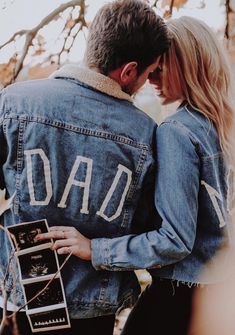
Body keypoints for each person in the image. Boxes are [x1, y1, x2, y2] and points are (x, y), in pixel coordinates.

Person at [37, 16, 235, 335]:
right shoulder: (221, 128)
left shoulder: (176, 132)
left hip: (176, 300)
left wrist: (95, 248)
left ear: (188, 68)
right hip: (219, 292)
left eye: (160, 68)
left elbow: (174, 240)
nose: (151, 79)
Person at [0, 1, 171, 334]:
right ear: (129, 71)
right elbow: (150, 228)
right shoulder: (147, 136)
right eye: (149, 74)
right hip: (94, 313)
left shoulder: (14, 103)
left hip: (20, 301)